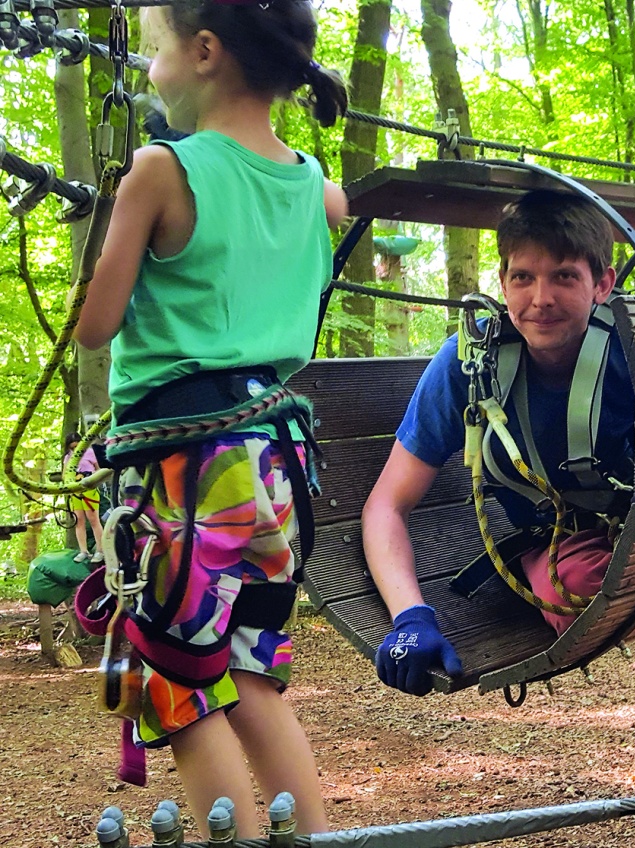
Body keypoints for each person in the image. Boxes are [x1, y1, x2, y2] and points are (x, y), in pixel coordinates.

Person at [74, 0, 347, 837]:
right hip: (276, 466)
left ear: (203, 52)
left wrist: (115, 216)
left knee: (180, 685)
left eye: (155, 50)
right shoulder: (321, 194)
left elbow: (94, 323)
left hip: (186, 469)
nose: (149, 68)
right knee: (254, 678)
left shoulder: (162, 171)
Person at [362, 189, 635, 697]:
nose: (541, 299)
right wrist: (410, 618)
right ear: (503, 283)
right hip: (559, 544)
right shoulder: (468, 365)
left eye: (564, 276)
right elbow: (386, 505)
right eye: (522, 278)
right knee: (585, 592)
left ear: (602, 283)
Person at [63, 432, 105, 564]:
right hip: (75, 492)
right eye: (72, 447)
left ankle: (100, 550)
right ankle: (83, 551)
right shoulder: (68, 457)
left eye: (77, 446)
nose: (75, 450)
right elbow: (64, 474)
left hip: (89, 491)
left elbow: (99, 470)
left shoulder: (90, 453)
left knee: (93, 520)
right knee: (79, 521)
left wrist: (91, 480)